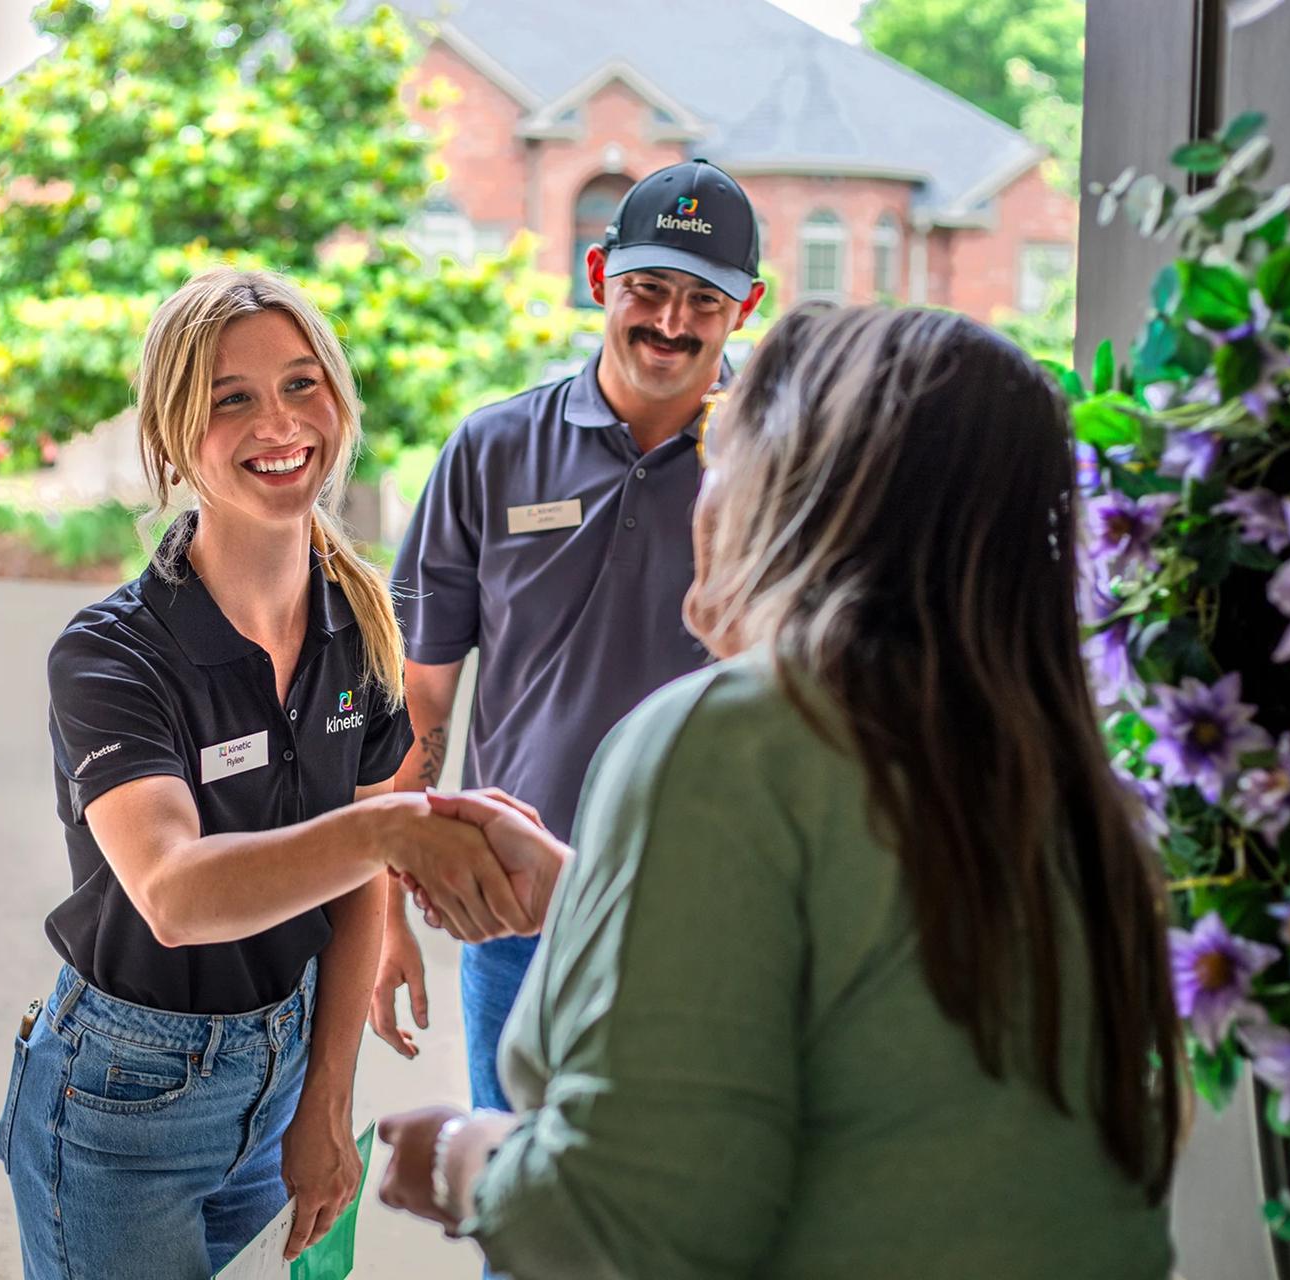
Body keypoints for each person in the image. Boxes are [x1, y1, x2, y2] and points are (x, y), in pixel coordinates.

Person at [377, 305, 1185, 1278]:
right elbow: (879, 1000)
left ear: (804, 494)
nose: (699, 487)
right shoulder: (1053, 769)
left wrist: (467, 1160)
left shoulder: (724, 736)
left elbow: (633, 1226)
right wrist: (591, 891)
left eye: (723, 446)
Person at [0, 268, 538, 1280]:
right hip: (123, 1098)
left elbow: (361, 889)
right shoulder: (111, 653)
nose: (279, 422)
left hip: (284, 1072)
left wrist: (328, 1100)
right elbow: (174, 893)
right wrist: (388, 830)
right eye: (231, 398)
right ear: (171, 431)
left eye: (301, 383)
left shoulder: (362, 617)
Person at [372, 159, 766, 1107]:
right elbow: (420, 697)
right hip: (510, 917)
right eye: (648, 289)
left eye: (702, 300)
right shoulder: (493, 448)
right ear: (598, 278)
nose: (671, 323)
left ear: (745, 307)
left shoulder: (785, 462)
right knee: (516, 1214)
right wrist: (384, 905)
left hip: (712, 921)